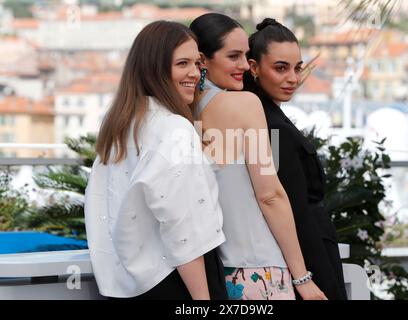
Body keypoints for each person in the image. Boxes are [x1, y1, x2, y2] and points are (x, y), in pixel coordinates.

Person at [84, 21, 227, 300]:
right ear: (154, 68)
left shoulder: (120, 125)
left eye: (197, 63)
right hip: (178, 279)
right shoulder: (173, 128)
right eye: (182, 63)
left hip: (129, 283)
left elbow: (100, 206)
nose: (194, 73)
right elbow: (184, 228)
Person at [189, 13, 326, 300]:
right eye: (234, 56)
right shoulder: (244, 104)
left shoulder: (184, 111)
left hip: (215, 271)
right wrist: (302, 277)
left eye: (246, 56)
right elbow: (270, 195)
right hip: (259, 269)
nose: (244, 66)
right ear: (203, 60)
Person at [243, 18, 348, 300]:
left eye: (297, 67)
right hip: (309, 252)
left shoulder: (266, 116)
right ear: (254, 67)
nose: (293, 78)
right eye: (280, 68)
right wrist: (308, 277)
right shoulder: (271, 125)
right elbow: (291, 208)